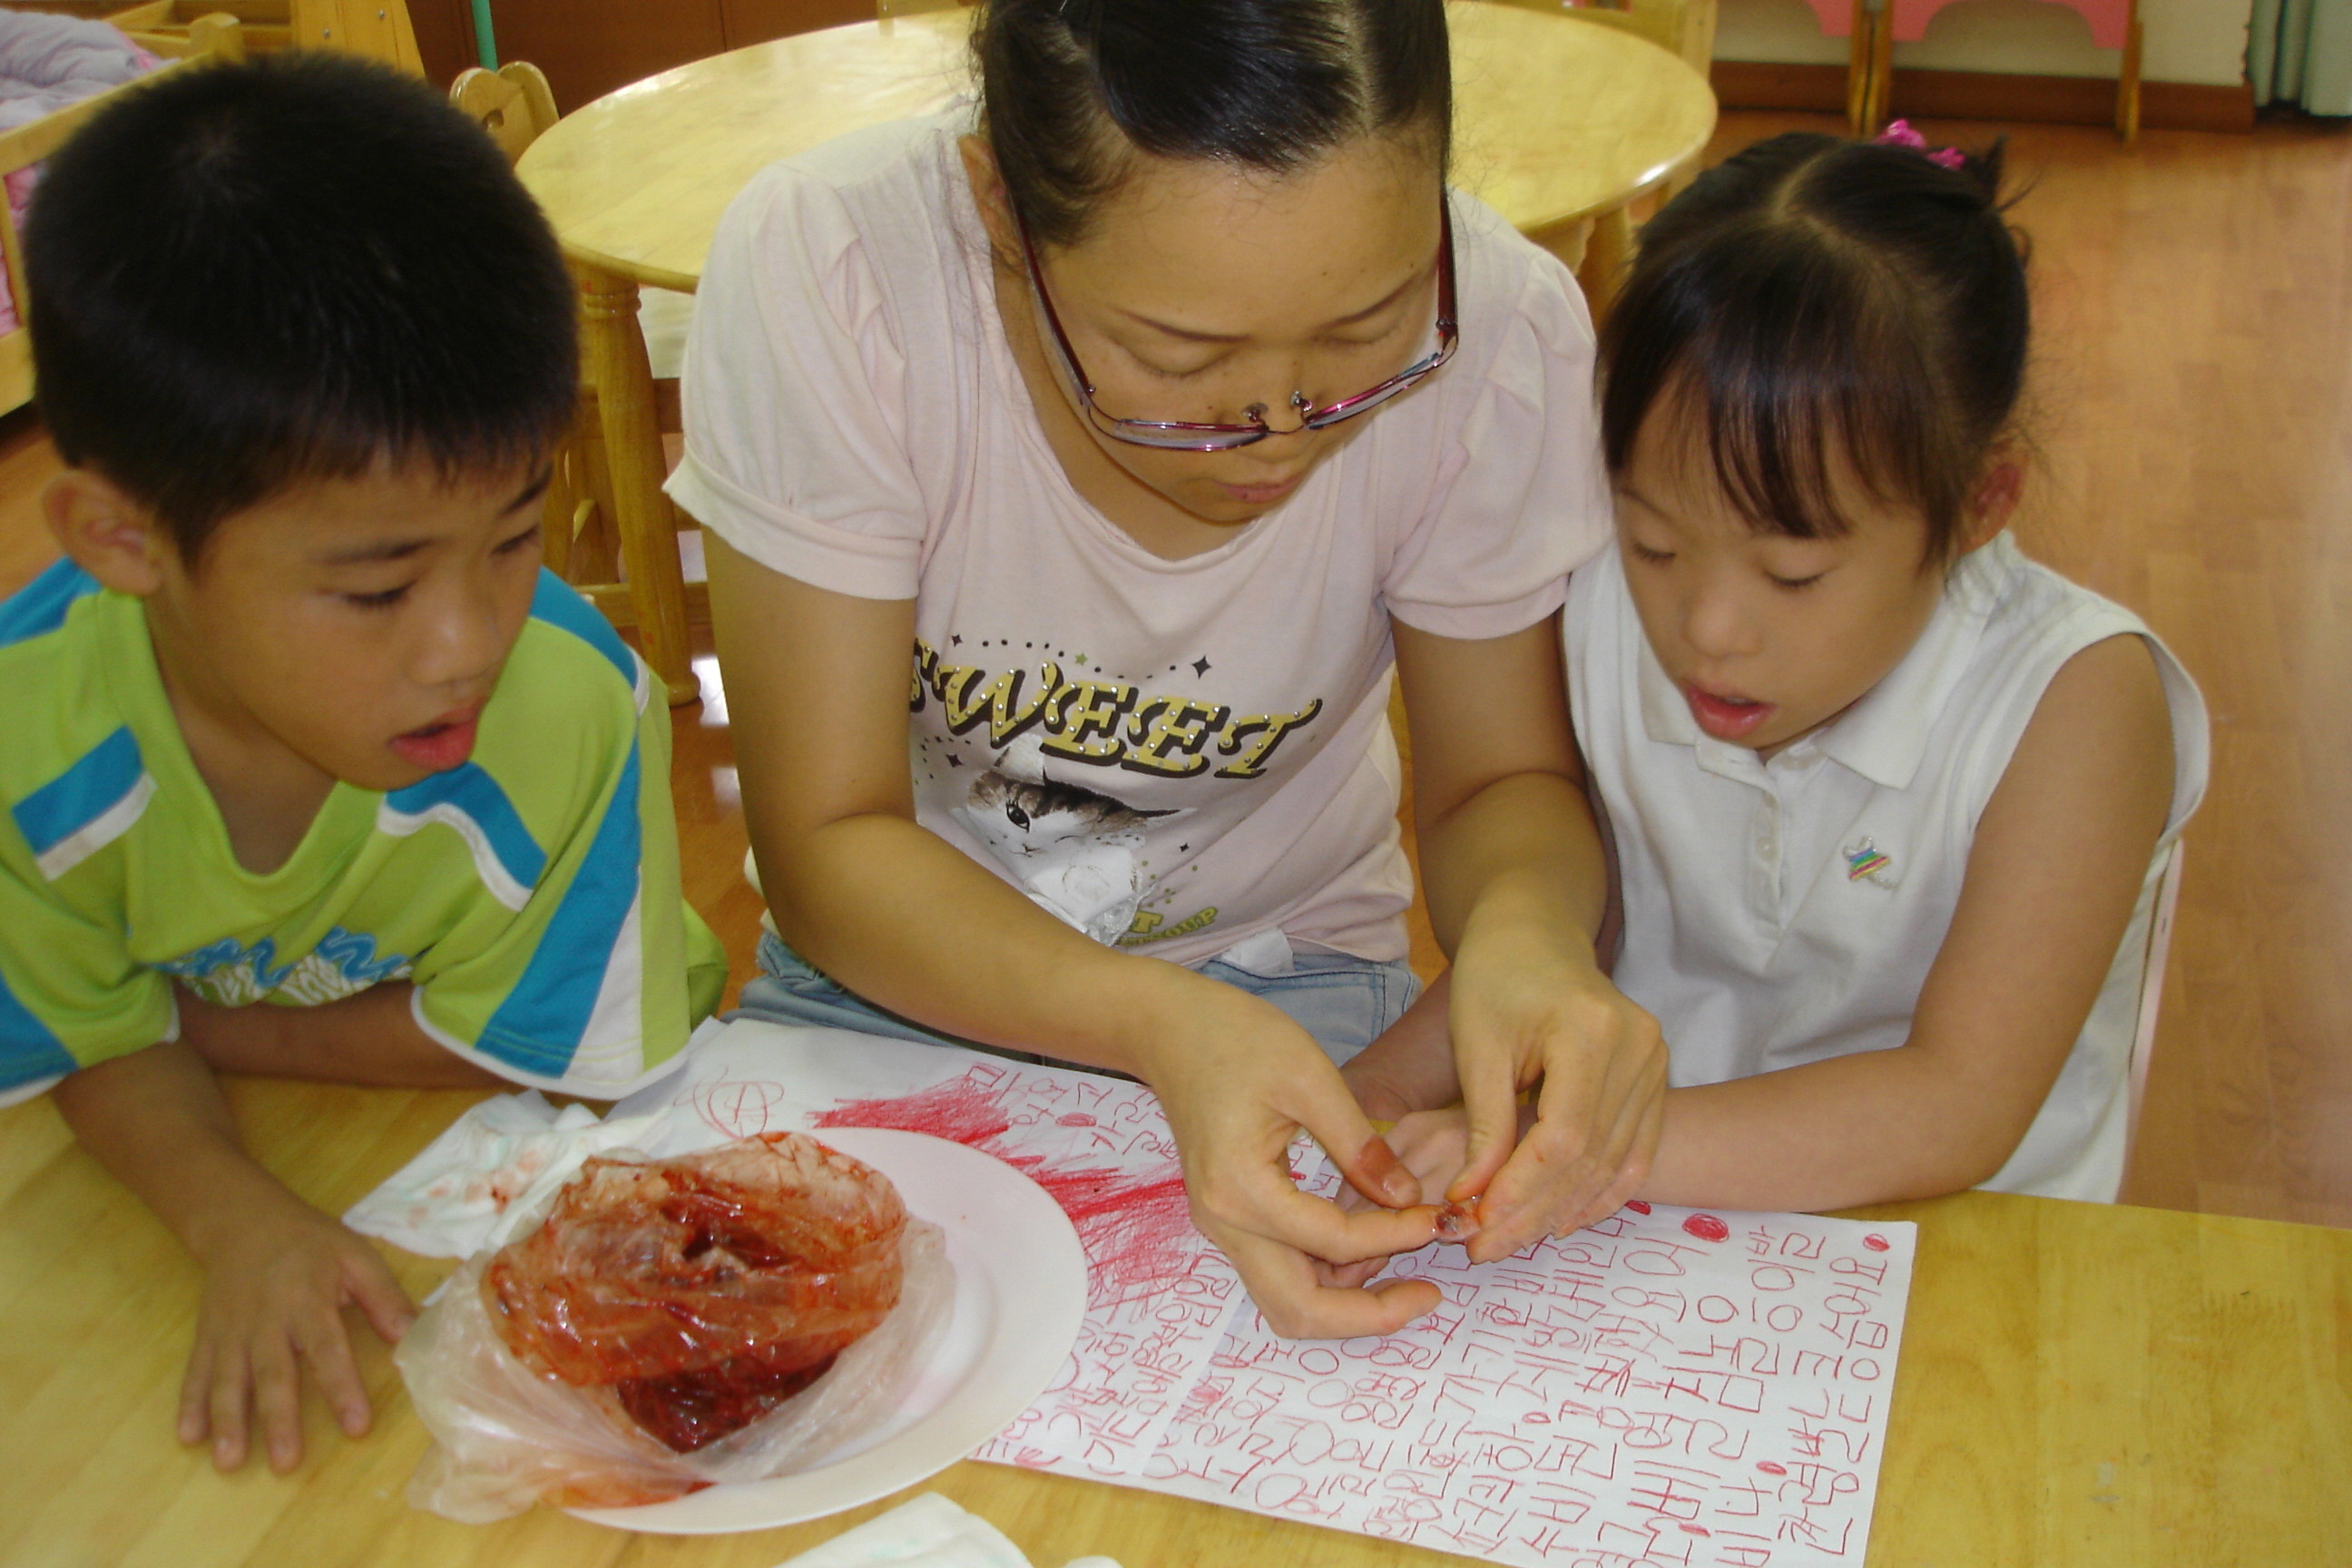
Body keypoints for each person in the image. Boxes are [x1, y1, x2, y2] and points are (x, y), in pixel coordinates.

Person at [671, 0, 1668, 1338]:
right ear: (996, 214)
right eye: (1180, 361)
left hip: (1292, 980)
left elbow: (1502, 782)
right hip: (900, 978)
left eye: (1369, 328)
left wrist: (1535, 940)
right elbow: (826, 835)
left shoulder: (1498, 337)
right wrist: (1154, 1025)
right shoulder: (843, 274)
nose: (1277, 429)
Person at [0, 55, 728, 1475]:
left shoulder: (574, 709)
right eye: (377, 590)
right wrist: (231, 1211)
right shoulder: (28, 736)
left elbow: (522, 1053)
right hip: (236, 1171)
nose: (469, 644)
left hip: (570, 1112)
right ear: (121, 540)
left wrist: (172, 1029)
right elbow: (76, 1046)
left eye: (516, 538)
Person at [1341, 127, 2209, 1215]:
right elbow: (1572, 926)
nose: (1709, 628)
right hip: (1648, 1218)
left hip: (1963, 1240)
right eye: (1656, 542)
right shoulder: (1597, 599)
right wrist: (1374, 1093)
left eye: (1794, 574)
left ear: (1981, 503)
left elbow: (1956, 1106)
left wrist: (1569, 1150)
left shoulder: (2076, 705)